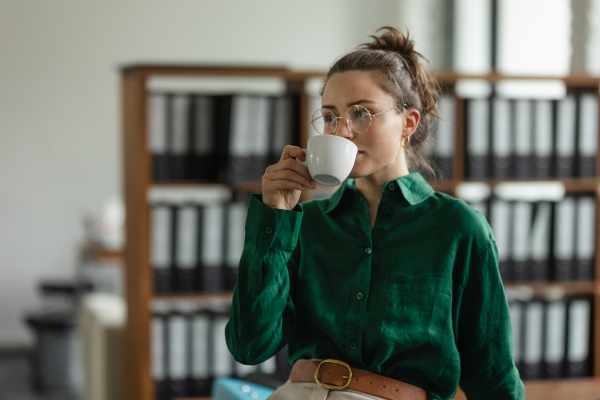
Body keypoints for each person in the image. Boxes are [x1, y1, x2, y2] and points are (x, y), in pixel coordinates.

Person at [225, 26, 525, 400]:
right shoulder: (307, 224)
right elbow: (248, 346)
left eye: (361, 113)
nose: (342, 131)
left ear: (408, 123)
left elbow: (494, 376)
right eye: (331, 117)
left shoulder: (457, 228)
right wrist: (274, 218)